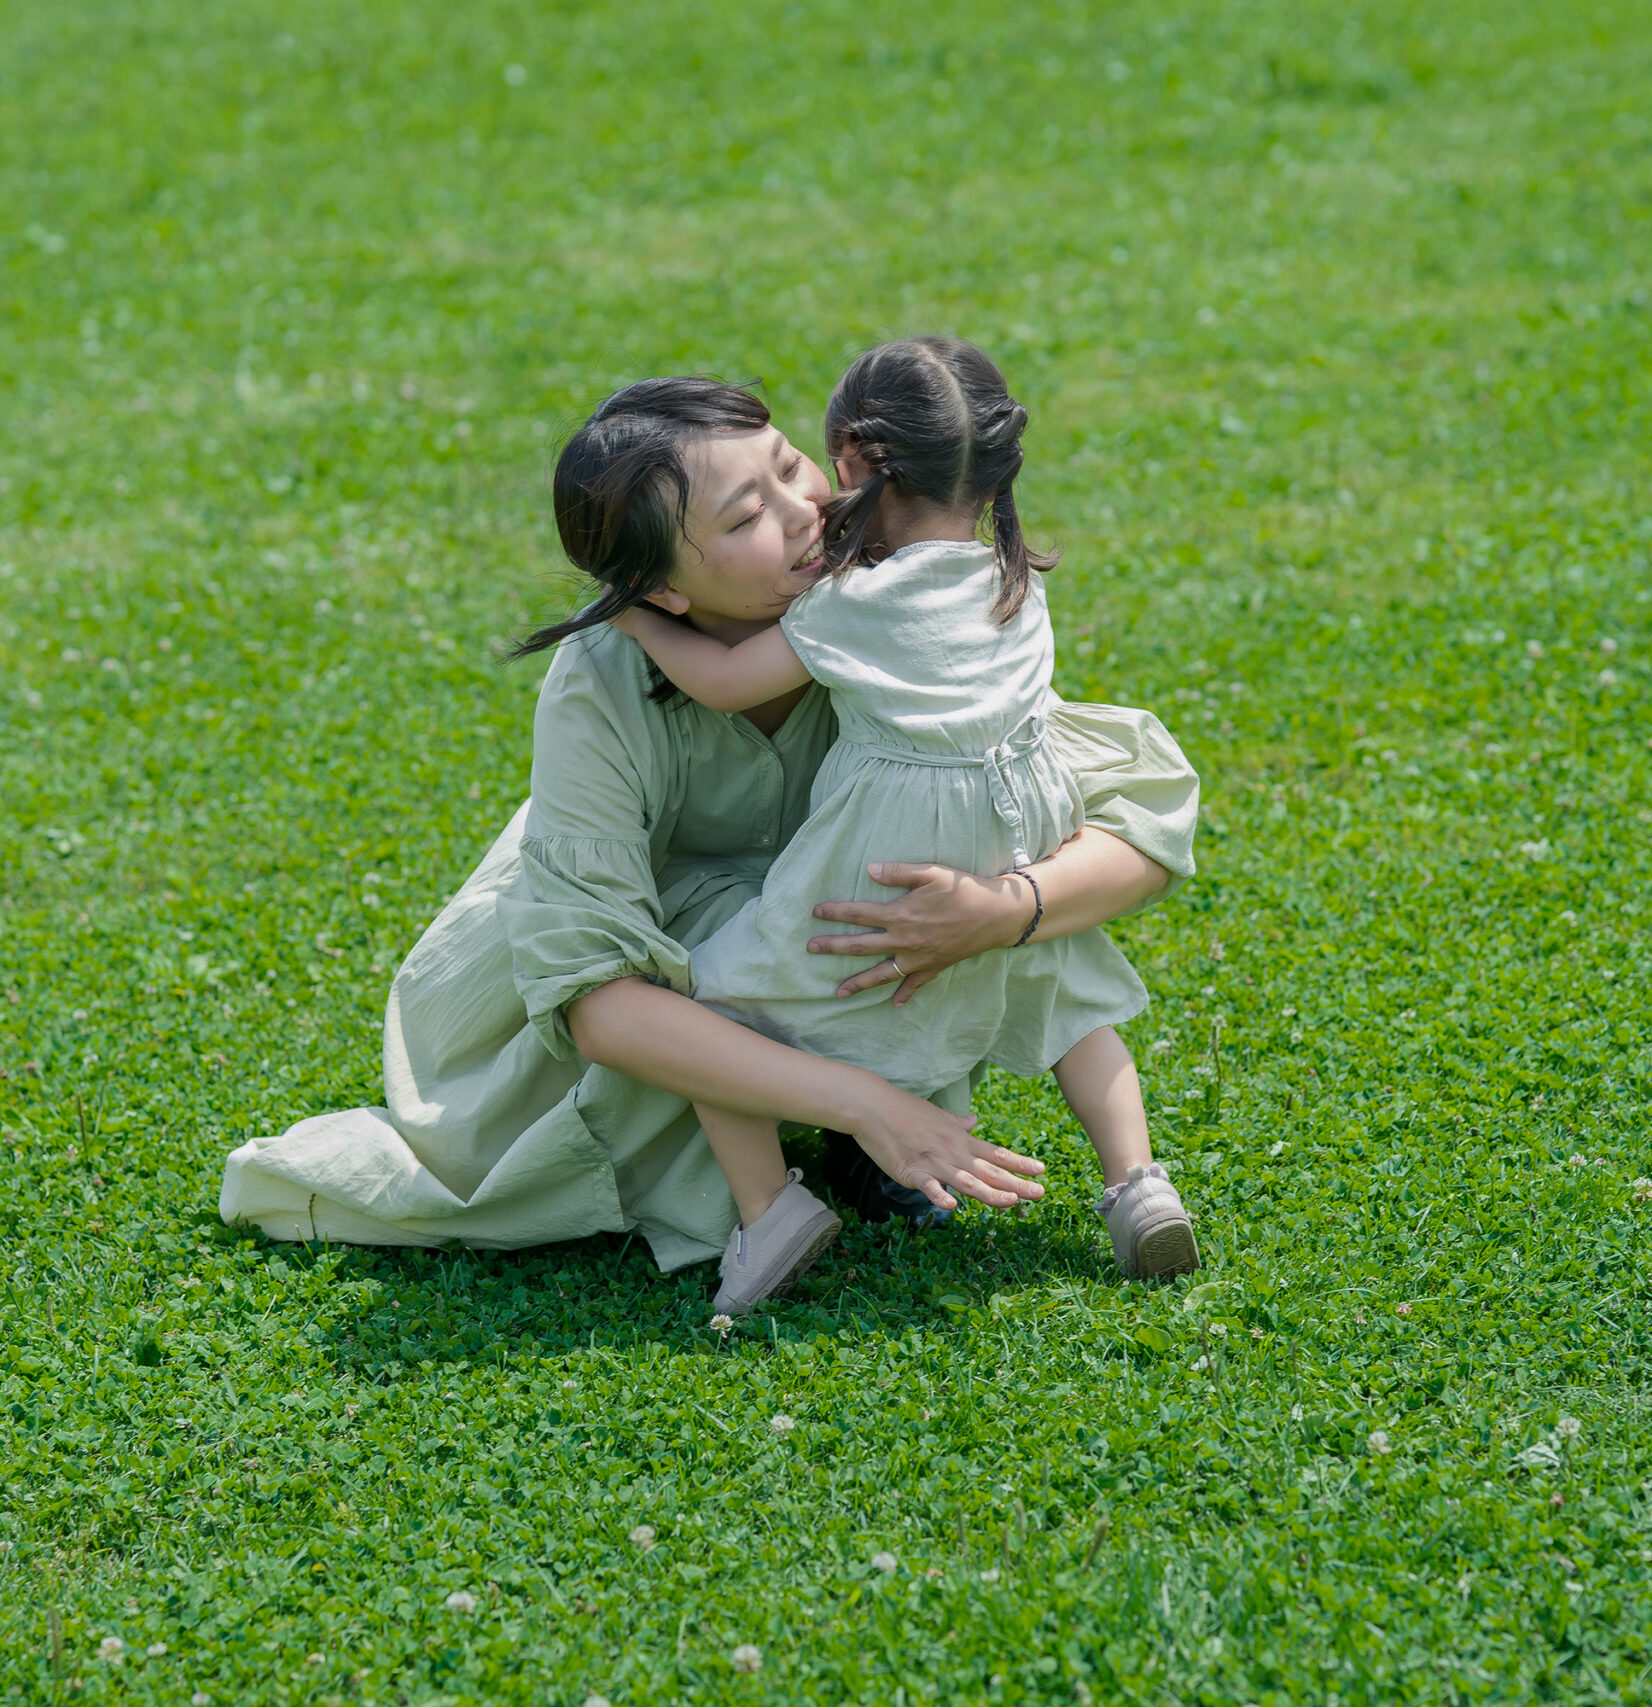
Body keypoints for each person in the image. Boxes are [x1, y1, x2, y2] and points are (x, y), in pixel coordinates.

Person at [216, 376, 1198, 1288]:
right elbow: (600, 1004)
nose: (801, 509)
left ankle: (879, 1129)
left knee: (949, 901)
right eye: (744, 515)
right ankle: (820, 1148)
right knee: (614, 1094)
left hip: (830, 935)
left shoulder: (886, 602)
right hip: (644, 954)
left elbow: (1121, 814)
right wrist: (867, 1105)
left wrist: (1000, 911)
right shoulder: (602, 688)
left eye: (785, 465)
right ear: (664, 595)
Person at [615, 338, 1198, 1313]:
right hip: (1026, 834)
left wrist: (638, 616)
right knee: (1069, 1009)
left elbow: (718, 682)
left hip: (901, 835)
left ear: (851, 461)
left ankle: (770, 1211)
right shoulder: (1016, 577)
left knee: (715, 1001)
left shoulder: (851, 603)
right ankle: (1137, 1186)